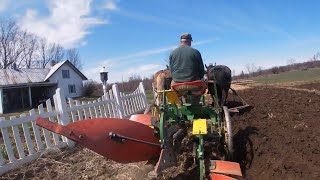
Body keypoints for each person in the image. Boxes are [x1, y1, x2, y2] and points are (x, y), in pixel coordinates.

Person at [169, 33, 205, 104]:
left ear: (180, 42)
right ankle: (195, 104)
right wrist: (199, 77)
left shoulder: (172, 53)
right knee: (203, 84)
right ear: (190, 41)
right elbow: (201, 70)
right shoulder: (196, 52)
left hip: (177, 85)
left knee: (171, 86)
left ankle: (179, 104)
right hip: (194, 85)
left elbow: (171, 71)